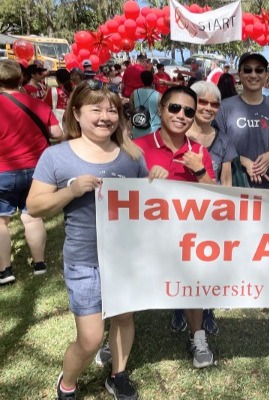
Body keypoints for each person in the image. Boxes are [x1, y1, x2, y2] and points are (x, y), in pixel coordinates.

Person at [26, 79, 154, 400]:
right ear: (77, 113)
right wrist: (70, 191)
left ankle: (118, 374)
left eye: (112, 110)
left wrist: (156, 185)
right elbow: (35, 206)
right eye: (95, 109)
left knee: (124, 318)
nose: (105, 116)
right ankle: (67, 382)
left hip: (124, 258)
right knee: (91, 338)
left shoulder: (132, 155)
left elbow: (148, 205)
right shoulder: (56, 157)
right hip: (84, 261)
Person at [134, 85, 217, 370]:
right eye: (174, 108)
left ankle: (198, 337)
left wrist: (200, 170)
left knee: (193, 286)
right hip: (146, 235)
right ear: (161, 109)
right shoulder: (138, 147)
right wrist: (145, 181)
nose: (181, 115)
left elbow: (216, 196)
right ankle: (115, 338)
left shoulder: (199, 152)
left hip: (188, 235)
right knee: (132, 285)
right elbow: (121, 192)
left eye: (189, 111)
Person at [0, 60, 63, 286]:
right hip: (38, 171)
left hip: (3, 171)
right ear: (21, 79)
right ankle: (39, 264)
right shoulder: (37, 105)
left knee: (1, 222)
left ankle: (5, 270)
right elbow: (57, 133)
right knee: (32, 217)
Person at [215, 52, 269, 189]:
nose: (253, 75)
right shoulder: (224, 107)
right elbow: (216, 146)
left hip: (266, 185)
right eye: (247, 70)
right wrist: (242, 161)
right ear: (239, 75)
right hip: (233, 184)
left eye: (259, 70)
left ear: (266, 75)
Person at [129, 70, 161, 138]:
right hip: (154, 130)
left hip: (138, 128)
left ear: (142, 80)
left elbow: (131, 109)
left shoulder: (134, 93)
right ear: (152, 80)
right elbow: (162, 113)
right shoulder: (159, 95)